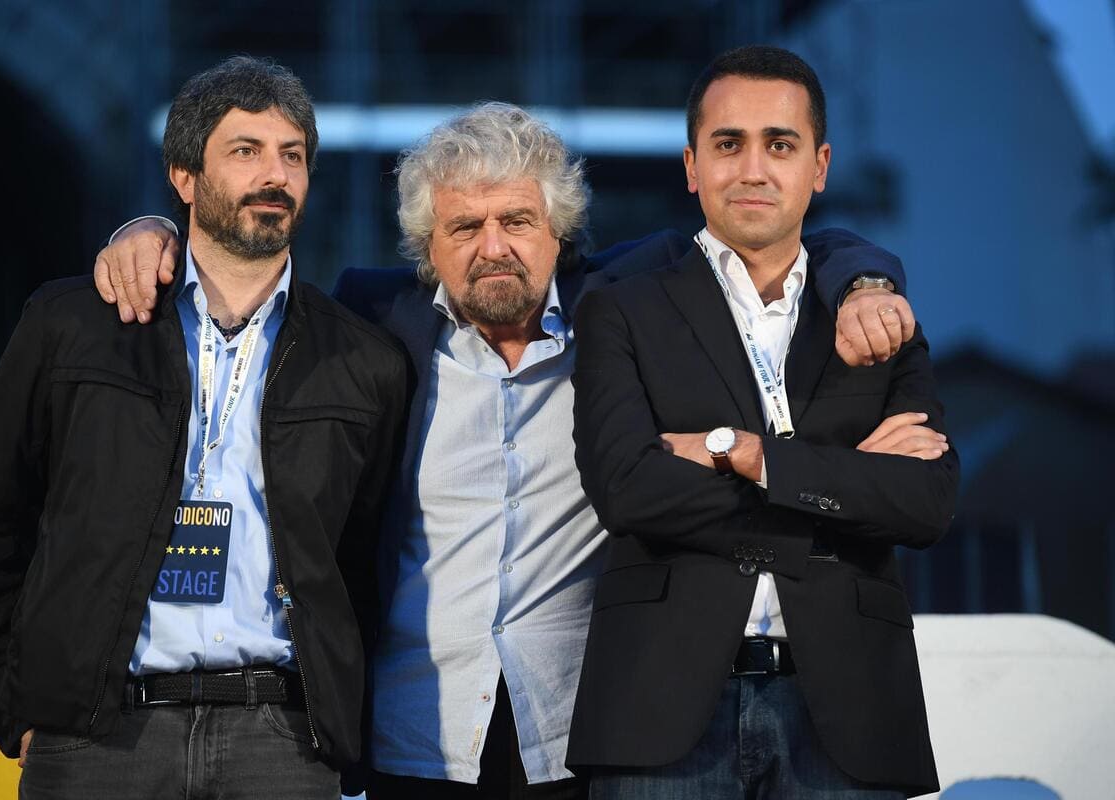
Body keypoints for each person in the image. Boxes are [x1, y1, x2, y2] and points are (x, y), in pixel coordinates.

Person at [93, 102, 914, 798]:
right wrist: (151, 230)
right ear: (428, 248)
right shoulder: (372, 321)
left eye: (518, 220)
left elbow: (782, 234)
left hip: (577, 735)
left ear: (559, 230)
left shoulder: (626, 306)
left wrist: (867, 281)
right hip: (411, 736)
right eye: (465, 226)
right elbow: (241, 262)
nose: (494, 247)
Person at [0, 56, 407, 800]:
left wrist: (336, 724)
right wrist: (16, 708)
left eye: (292, 155)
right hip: (98, 736)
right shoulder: (73, 326)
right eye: (246, 151)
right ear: (185, 178)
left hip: (281, 740)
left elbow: (362, 560)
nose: (276, 174)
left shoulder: (362, 360)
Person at [564, 45, 958, 799]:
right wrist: (843, 489)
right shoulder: (621, 307)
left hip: (850, 712)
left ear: (820, 165)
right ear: (691, 166)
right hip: (659, 709)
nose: (752, 168)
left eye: (779, 144)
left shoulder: (876, 317)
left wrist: (748, 456)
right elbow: (629, 491)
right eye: (727, 144)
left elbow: (927, 501)